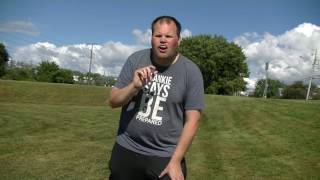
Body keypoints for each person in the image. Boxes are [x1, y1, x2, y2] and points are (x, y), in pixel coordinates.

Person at [108, 15, 205, 180]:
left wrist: (176, 161)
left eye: (168, 36)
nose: (163, 40)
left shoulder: (191, 71)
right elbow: (113, 101)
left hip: (164, 155)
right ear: (151, 38)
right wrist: (133, 86)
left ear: (178, 40)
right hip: (127, 147)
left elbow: (193, 120)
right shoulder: (136, 60)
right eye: (158, 35)